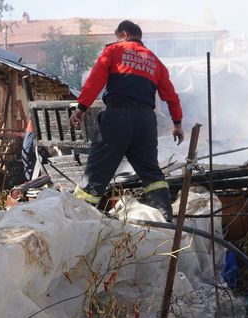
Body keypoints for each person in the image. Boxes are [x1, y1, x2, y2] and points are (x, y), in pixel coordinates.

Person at [69, 20, 184, 221]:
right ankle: (166, 216)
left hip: (118, 116)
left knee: (98, 170)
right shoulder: (155, 62)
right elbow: (171, 96)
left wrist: (81, 108)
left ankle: (80, 217)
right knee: (150, 171)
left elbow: (95, 80)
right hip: (146, 122)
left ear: (123, 34)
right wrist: (177, 124)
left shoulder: (114, 51)